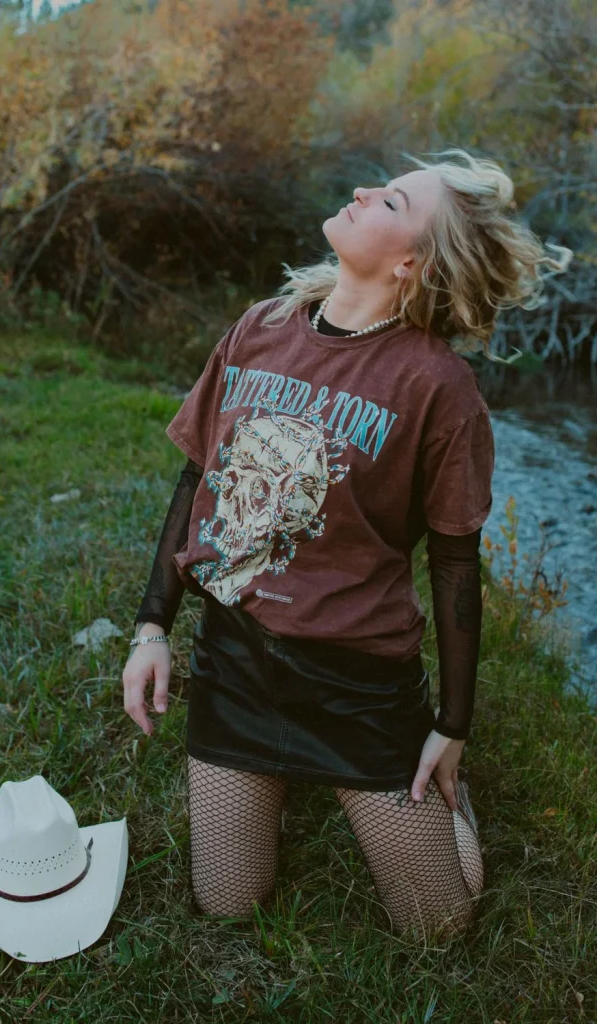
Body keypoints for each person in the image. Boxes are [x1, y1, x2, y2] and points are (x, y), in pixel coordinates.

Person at [122, 147, 572, 939]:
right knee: (226, 903)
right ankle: (286, 777)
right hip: (234, 663)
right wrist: (151, 627)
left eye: (393, 202)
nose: (364, 191)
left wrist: (451, 726)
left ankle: (442, 802)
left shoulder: (437, 388)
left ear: (412, 263)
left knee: (439, 926)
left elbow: (454, 563)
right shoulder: (260, 330)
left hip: (356, 686)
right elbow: (195, 480)